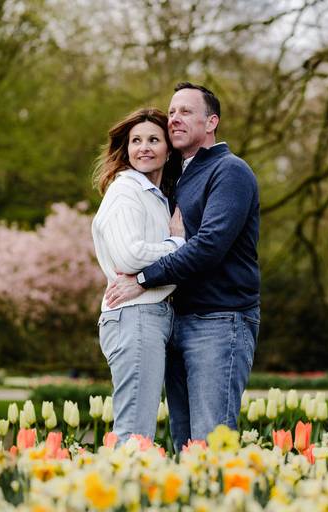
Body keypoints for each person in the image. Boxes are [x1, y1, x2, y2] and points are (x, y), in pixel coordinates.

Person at [106, 83, 260, 452]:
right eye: (172, 111)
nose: (174, 118)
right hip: (178, 320)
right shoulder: (179, 177)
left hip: (220, 321)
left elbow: (209, 246)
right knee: (184, 444)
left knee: (211, 442)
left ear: (212, 122)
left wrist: (143, 279)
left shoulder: (230, 171)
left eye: (186, 112)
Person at [91, 108, 184, 444]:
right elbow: (128, 255)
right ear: (126, 148)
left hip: (151, 313)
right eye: (136, 141)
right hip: (135, 315)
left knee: (140, 430)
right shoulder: (125, 190)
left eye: (153, 140)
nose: (144, 147)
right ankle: (120, 493)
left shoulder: (155, 196)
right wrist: (178, 244)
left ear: (168, 149)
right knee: (134, 432)